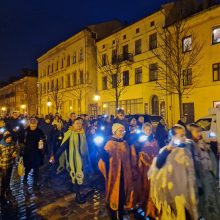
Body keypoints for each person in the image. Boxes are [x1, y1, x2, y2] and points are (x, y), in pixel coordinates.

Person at [149, 125, 198, 220]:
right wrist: (167, 150)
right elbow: (157, 166)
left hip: (187, 192)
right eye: (181, 135)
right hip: (173, 194)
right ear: (173, 136)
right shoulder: (165, 150)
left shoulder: (187, 150)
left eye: (184, 135)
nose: (184, 137)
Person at [50, 118, 91, 204]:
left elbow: (86, 145)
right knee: (76, 174)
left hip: (81, 157)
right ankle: (78, 196)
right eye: (77, 123)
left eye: (80, 123)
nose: (79, 125)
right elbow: (63, 146)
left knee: (79, 174)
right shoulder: (69, 133)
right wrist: (55, 156)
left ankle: (74, 187)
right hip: (73, 159)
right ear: (72, 125)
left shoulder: (82, 133)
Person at [98, 123, 134, 220]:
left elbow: (129, 158)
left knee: (122, 194)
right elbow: (103, 160)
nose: (122, 133)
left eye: (123, 131)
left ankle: (120, 213)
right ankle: (113, 213)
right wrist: (102, 152)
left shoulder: (125, 143)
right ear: (114, 131)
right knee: (114, 193)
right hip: (113, 175)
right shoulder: (110, 143)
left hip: (124, 174)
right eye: (120, 131)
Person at [188, 124, 220, 220]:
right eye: (196, 131)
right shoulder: (189, 147)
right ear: (190, 133)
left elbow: (212, 162)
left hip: (208, 183)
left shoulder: (203, 145)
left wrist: (215, 178)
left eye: (200, 131)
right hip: (198, 185)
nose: (199, 133)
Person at [131, 123, 159, 219]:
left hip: (153, 165)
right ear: (143, 130)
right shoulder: (140, 140)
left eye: (149, 129)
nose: (148, 131)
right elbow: (137, 150)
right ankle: (143, 203)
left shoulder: (154, 140)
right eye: (146, 129)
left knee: (153, 184)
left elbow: (157, 150)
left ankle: (152, 203)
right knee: (144, 183)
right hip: (144, 166)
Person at [23, 118, 46, 189]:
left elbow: (44, 139)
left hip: (37, 153)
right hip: (28, 153)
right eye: (32, 125)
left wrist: (42, 141)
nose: (33, 126)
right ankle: (25, 178)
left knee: (36, 169)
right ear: (29, 124)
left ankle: (35, 184)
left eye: (34, 125)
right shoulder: (26, 131)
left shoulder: (39, 131)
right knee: (27, 168)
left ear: (36, 124)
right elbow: (21, 141)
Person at [0, 132, 17, 202]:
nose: (9, 139)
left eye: (10, 138)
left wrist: (15, 152)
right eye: (8, 138)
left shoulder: (13, 143)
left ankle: (7, 188)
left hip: (10, 164)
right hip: (3, 165)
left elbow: (16, 149)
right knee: (3, 179)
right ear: (5, 138)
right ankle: (2, 192)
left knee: (9, 177)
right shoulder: (0, 145)